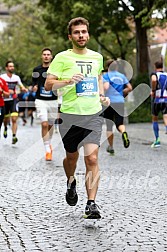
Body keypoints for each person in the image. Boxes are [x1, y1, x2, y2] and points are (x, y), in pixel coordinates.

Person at [44, 17, 110, 219]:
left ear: (88, 34)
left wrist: (100, 95)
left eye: (84, 32)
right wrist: (67, 81)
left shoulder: (97, 57)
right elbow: (48, 84)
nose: (81, 35)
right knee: (71, 157)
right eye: (77, 32)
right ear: (70, 36)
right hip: (70, 115)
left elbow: (98, 78)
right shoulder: (62, 58)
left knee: (92, 158)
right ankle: (70, 182)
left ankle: (91, 203)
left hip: (93, 114)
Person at [32, 48, 58, 161]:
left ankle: (49, 142)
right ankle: (47, 149)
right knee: (44, 124)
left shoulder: (56, 69)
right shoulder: (36, 69)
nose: (46, 56)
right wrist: (34, 86)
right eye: (44, 54)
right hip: (40, 100)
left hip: (53, 100)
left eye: (48, 54)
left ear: (51, 57)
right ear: (42, 56)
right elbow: (33, 82)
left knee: (51, 124)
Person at [103, 59, 132, 155]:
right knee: (120, 123)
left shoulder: (106, 76)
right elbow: (130, 88)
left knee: (109, 126)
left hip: (109, 102)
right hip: (120, 101)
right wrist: (122, 92)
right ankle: (123, 132)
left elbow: (106, 87)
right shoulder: (121, 76)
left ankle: (111, 147)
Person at [0, 61, 27, 144]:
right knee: (6, 119)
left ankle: (14, 136)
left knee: (14, 119)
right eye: (10, 66)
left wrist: (24, 89)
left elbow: (21, 86)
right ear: (6, 68)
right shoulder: (2, 77)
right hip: (4, 101)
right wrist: (6, 91)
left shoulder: (16, 77)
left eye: (13, 66)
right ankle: (5, 128)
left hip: (13, 100)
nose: (12, 68)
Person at [150, 60, 167, 148]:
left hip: (156, 99)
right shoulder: (166, 74)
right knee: (166, 116)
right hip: (165, 98)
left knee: (155, 118)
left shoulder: (154, 74)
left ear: (155, 66)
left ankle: (157, 140)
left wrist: (153, 90)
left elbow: (153, 80)